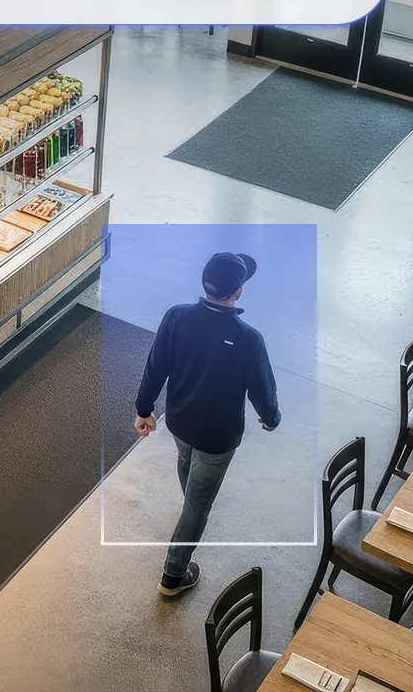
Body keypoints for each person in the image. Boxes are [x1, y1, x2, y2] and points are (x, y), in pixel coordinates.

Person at [133, 252, 281, 598]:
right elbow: (263, 390)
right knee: (198, 504)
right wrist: (271, 419)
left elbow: (155, 367)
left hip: (180, 422)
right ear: (239, 292)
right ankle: (174, 574)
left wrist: (144, 409)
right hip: (218, 437)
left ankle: (192, 512)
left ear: (203, 283)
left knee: (189, 468)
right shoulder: (248, 338)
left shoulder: (176, 317)